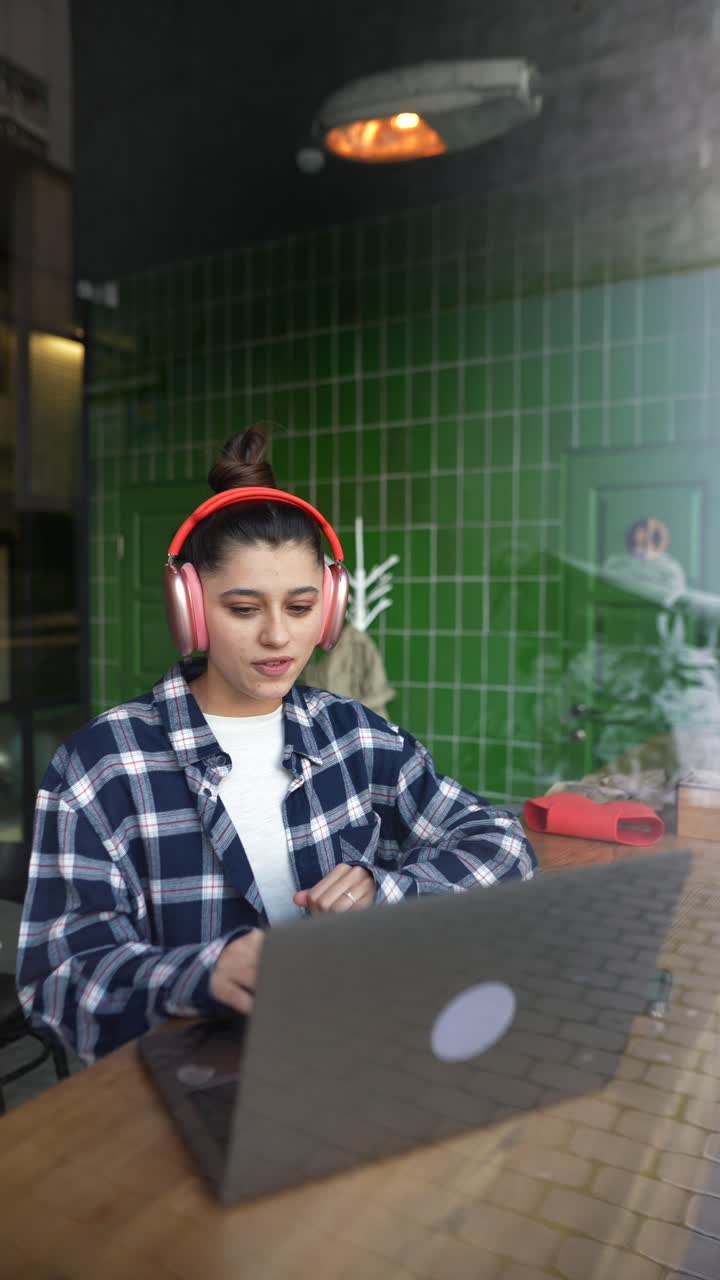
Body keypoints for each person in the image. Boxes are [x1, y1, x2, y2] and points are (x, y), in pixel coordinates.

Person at [16, 428, 536, 1063]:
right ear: (191, 610)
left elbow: (503, 844)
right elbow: (58, 983)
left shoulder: (355, 735)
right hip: (190, 1082)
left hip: (352, 1055)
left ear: (330, 608)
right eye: (243, 609)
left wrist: (387, 892)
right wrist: (202, 974)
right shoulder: (101, 768)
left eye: (299, 606)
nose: (277, 637)